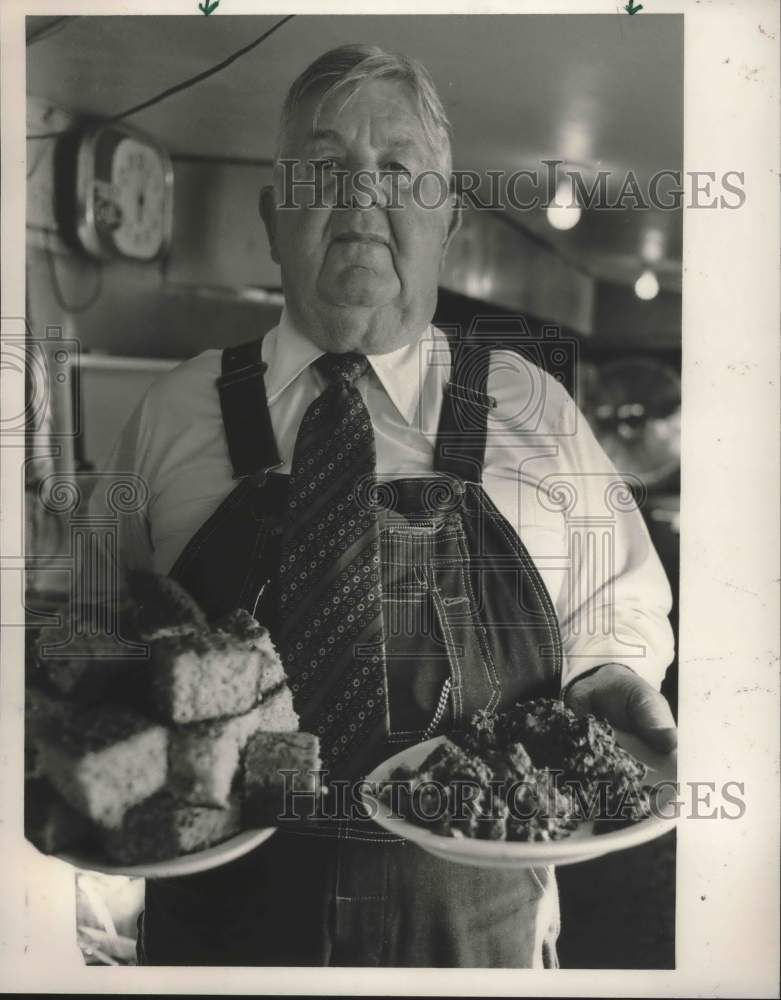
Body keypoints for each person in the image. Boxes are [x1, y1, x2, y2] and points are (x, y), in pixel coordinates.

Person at [96, 44, 677, 968]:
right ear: (270, 214)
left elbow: (620, 607)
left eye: (399, 170)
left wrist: (608, 678)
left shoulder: (536, 413)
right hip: (215, 944)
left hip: (478, 938)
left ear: (445, 218)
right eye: (324, 168)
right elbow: (93, 636)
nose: (361, 195)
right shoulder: (169, 417)